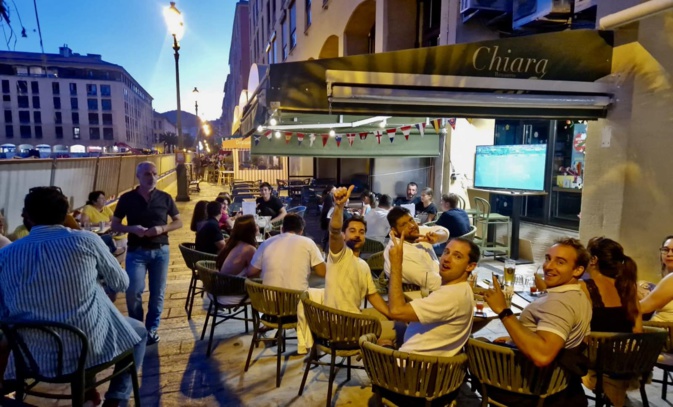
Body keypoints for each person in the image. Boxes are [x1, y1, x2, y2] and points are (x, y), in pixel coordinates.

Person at [0, 186, 146, 407]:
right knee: (139, 332)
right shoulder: (86, 240)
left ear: (28, 216)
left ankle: (86, 393)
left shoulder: (6, 254)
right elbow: (121, 283)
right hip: (86, 349)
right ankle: (117, 398)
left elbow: (4, 311)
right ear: (66, 213)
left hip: (31, 357)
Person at [483, 238, 592, 407]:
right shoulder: (579, 295)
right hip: (559, 383)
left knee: (475, 346)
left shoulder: (559, 303)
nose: (548, 266)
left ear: (577, 270)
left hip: (527, 387)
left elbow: (543, 355)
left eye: (560, 262)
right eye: (548, 258)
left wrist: (503, 311)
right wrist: (514, 338)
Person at [112, 161, 183, 345]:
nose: (152, 177)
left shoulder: (165, 197)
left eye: (154, 173)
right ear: (138, 177)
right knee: (133, 291)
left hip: (161, 250)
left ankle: (151, 329)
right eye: (147, 174)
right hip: (136, 251)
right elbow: (115, 225)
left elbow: (178, 222)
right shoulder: (127, 198)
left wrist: (162, 228)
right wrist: (131, 229)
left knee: (158, 292)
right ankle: (137, 327)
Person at [385, 234, 479, 356]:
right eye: (446, 252)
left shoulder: (450, 296)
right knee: (392, 330)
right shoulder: (462, 288)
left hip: (414, 367)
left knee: (372, 341)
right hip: (423, 360)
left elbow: (396, 311)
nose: (446, 259)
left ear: (470, 266)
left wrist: (396, 264)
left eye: (457, 256)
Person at [579, 237, 641, 407]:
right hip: (628, 364)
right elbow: (638, 330)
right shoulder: (628, 287)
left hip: (598, 365)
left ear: (593, 260)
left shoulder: (584, 287)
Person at [324, 185, 391, 317]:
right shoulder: (339, 255)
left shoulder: (363, 265)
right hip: (337, 324)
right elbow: (334, 231)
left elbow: (372, 295)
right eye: (352, 231)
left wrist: (391, 314)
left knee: (396, 324)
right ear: (344, 235)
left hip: (354, 318)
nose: (357, 235)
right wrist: (339, 207)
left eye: (361, 232)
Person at [248, 213, 326, 290]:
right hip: (297, 299)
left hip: (268, 299)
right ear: (301, 231)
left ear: (282, 229)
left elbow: (251, 272)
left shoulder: (266, 243)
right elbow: (323, 272)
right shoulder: (308, 243)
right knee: (322, 283)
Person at [383, 207, 449, 291]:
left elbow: (444, 231)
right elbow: (434, 282)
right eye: (404, 224)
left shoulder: (415, 233)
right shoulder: (399, 252)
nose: (411, 226)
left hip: (442, 282)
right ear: (394, 231)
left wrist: (438, 236)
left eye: (411, 220)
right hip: (422, 297)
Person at [213, 215, 258, 305]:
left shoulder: (233, 243)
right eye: (256, 224)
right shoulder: (249, 249)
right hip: (230, 293)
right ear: (250, 229)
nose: (258, 226)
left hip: (220, 289)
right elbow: (254, 275)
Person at [81, 190, 126, 256]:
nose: (104, 200)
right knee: (109, 239)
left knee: (121, 235)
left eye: (104, 198)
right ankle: (114, 252)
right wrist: (100, 224)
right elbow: (84, 223)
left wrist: (109, 223)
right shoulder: (88, 208)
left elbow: (114, 220)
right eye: (101, 198)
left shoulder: (106, 208)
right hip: (96, 233)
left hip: (107, 231)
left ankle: (114, 252)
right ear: (94, 201)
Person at [640, 235, 673, 322]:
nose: (669, 254)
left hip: (664, 333)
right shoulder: (665, 281)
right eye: (666, 250)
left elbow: (642, 308)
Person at [319, 185, 337, 251]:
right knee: (327, 235)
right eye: (334, 190)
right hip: (327, 219)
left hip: (326, 218)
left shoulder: (329, 197)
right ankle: (325, 249)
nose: (336, 191)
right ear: (329, 192)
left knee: (326, 235)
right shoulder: (329, 198)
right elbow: (329, 209)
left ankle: (324, 249)